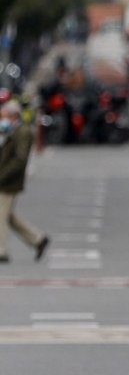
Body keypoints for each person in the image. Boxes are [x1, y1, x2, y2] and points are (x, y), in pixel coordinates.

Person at [0, 100, 50, 263]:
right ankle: (38, 239)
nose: (2, 119)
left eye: (4, 115)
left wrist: (2, 176)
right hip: (6, 179)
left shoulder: (23, 132)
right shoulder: (12, 130)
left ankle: (2, 250)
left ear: (13, 115)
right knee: (8, 216)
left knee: (1, 216)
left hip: (9, 182)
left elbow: (20, 160)